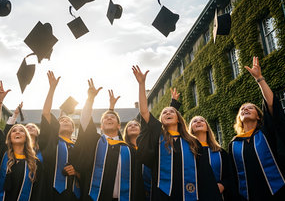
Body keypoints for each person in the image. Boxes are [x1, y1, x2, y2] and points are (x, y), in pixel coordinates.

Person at [133, 65, 222, 201]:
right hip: (162, 194)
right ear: (160, 120)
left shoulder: (192, 142)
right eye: (164, 113)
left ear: (179, 119)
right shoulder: (157, 136)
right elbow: (144, 112)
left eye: (172, 111)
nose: (168, 113)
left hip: (190, 194)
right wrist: (141, 84)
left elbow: (204, 173)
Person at [229, 56, 285, 201]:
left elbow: (272, 106)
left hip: (279, 191)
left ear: (258, 116)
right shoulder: (234, 144)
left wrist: (260, 79)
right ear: (239, 119)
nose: (245, 109)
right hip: (249, 196)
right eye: (242, 109)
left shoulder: (266, 132)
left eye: (250, 108)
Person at [77, 79, 143, 201]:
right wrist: (90, 98)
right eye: (105, 118)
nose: (109, 118)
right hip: (95, 197)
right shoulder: (95, 142)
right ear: (101, 127)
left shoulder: (128, 150)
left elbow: (137, 180)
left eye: (112, 117)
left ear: (119, 126)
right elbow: (85, 118)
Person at [0, 80, 43, 200]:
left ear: (27, 137)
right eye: (14, 130)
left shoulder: (34, 162)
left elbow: (37, 192)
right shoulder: (2, 153)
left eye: (21, 130)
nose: (17, 131)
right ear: (9, 137)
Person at [40, 71, 81, 201]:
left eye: (68, 121)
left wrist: (77, 172)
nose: (64, 121)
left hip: (74, 194)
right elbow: (46, 113)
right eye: (61, 121)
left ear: (73, 129)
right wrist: (52, 89)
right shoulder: (51, 140)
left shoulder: (79, 146)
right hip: (50, 192)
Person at [188, 116, 234, 200]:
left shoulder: (220, 152)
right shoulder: (187, 151)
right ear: (191, 129)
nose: (198, 122)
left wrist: (223, 185)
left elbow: (230, 174)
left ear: (207, 128)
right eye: (194, 121)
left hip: (218, 195)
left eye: (202, 120)